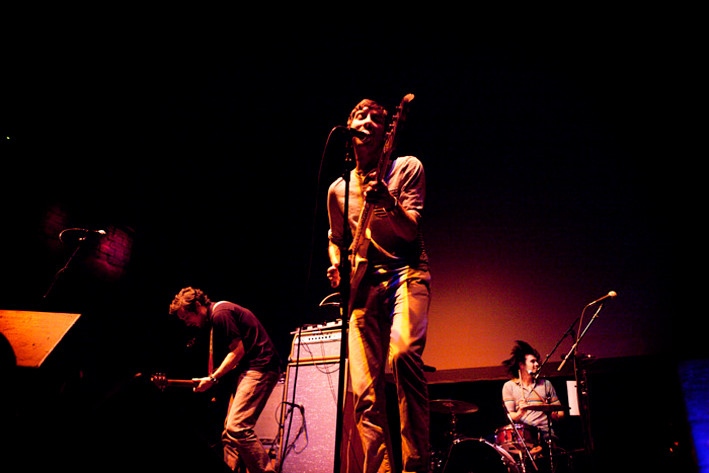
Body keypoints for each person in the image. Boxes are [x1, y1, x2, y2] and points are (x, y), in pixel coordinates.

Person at [326, 98, 432, 473]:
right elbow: (336, 239)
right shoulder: (338, 190)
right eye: (360, 115)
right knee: (366, 395)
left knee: (403, 356)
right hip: (362, 288)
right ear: (349, 126)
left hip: (406, 273)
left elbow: (410, 230)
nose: (368, 121)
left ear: (389, 132)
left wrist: (387, 201)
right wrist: (337, 265)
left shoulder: (406, 168)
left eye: (378, 118)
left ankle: (416, 466)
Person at [169, 287, 281, 473]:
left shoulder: (220, 314)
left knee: (237, 427)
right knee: (229, 435)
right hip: (250, 370)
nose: (187, 323)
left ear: (198, 305)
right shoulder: (218, 315)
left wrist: (212, 378)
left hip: (261, 368)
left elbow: (238, 351)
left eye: (187, 317)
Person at [501, 341, 565, 444]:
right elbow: (511, 416)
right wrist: (520, 413)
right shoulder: (509, 386)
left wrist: (555, 415)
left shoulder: (546, 384)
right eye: (532, 361)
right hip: (524, 435)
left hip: (546, 433)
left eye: (537, 361)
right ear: (522, 365)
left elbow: (561, 412)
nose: (537, 364)